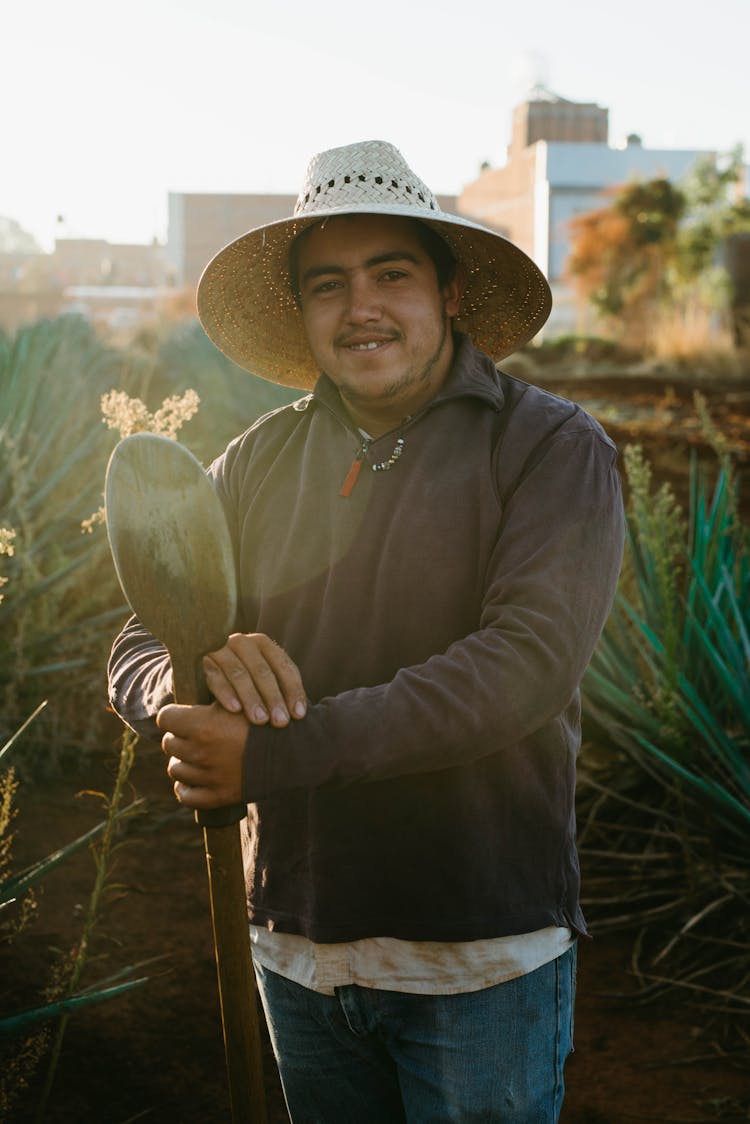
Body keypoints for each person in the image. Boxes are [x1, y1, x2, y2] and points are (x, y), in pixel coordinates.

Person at [108, 139, 625, 1123]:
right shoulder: (257, 463)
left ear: (452, 289)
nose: (362, 308)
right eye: (329, 285)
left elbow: (524, 668)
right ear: (303, 314)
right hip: (296, 948)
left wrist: (273, 751)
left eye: (392, 272)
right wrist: (190, 670)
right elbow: (137, 639)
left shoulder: (548, 447)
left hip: (477, 955)